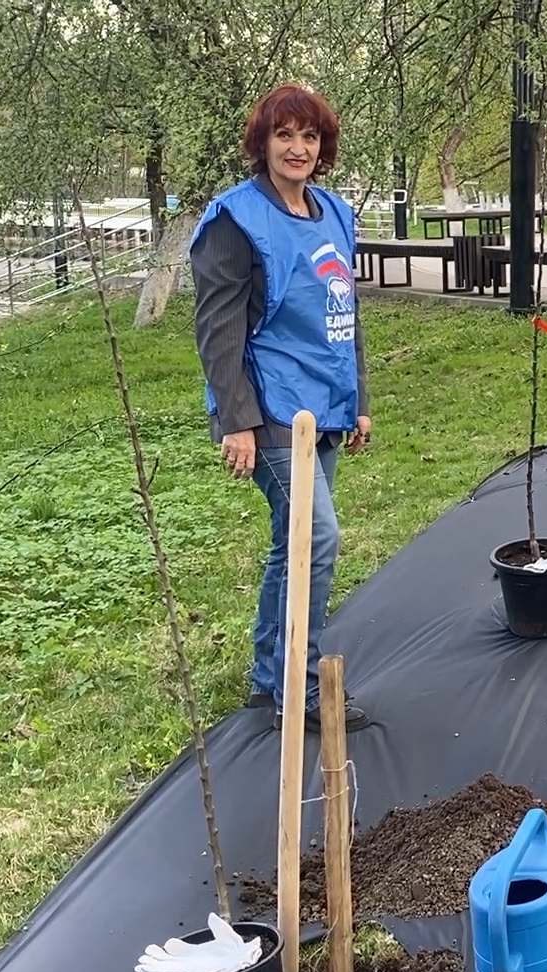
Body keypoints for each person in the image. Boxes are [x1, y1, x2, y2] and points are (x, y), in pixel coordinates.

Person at [189, 84, 372, 730]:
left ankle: (268, 673)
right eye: (284, 136)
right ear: (262, 144)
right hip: (268, 415)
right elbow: (219, 332)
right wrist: (236, 420)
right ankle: (300, 686)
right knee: (317, 537)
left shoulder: (333, 214)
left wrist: (359, 402)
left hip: (321, 406)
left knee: (289, 543)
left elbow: (344, 314)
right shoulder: (236, 223)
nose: (298, 149)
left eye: (309, 137)